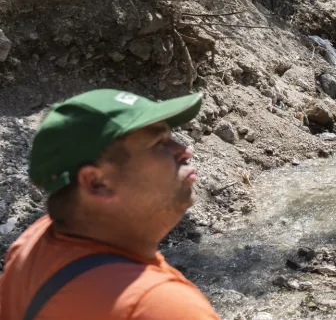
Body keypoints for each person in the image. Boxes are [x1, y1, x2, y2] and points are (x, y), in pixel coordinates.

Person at [0, 89, 220, 320]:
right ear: (97, 183)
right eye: (159, 143)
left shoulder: (32, 245)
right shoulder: (159, 306)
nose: (185, 150)